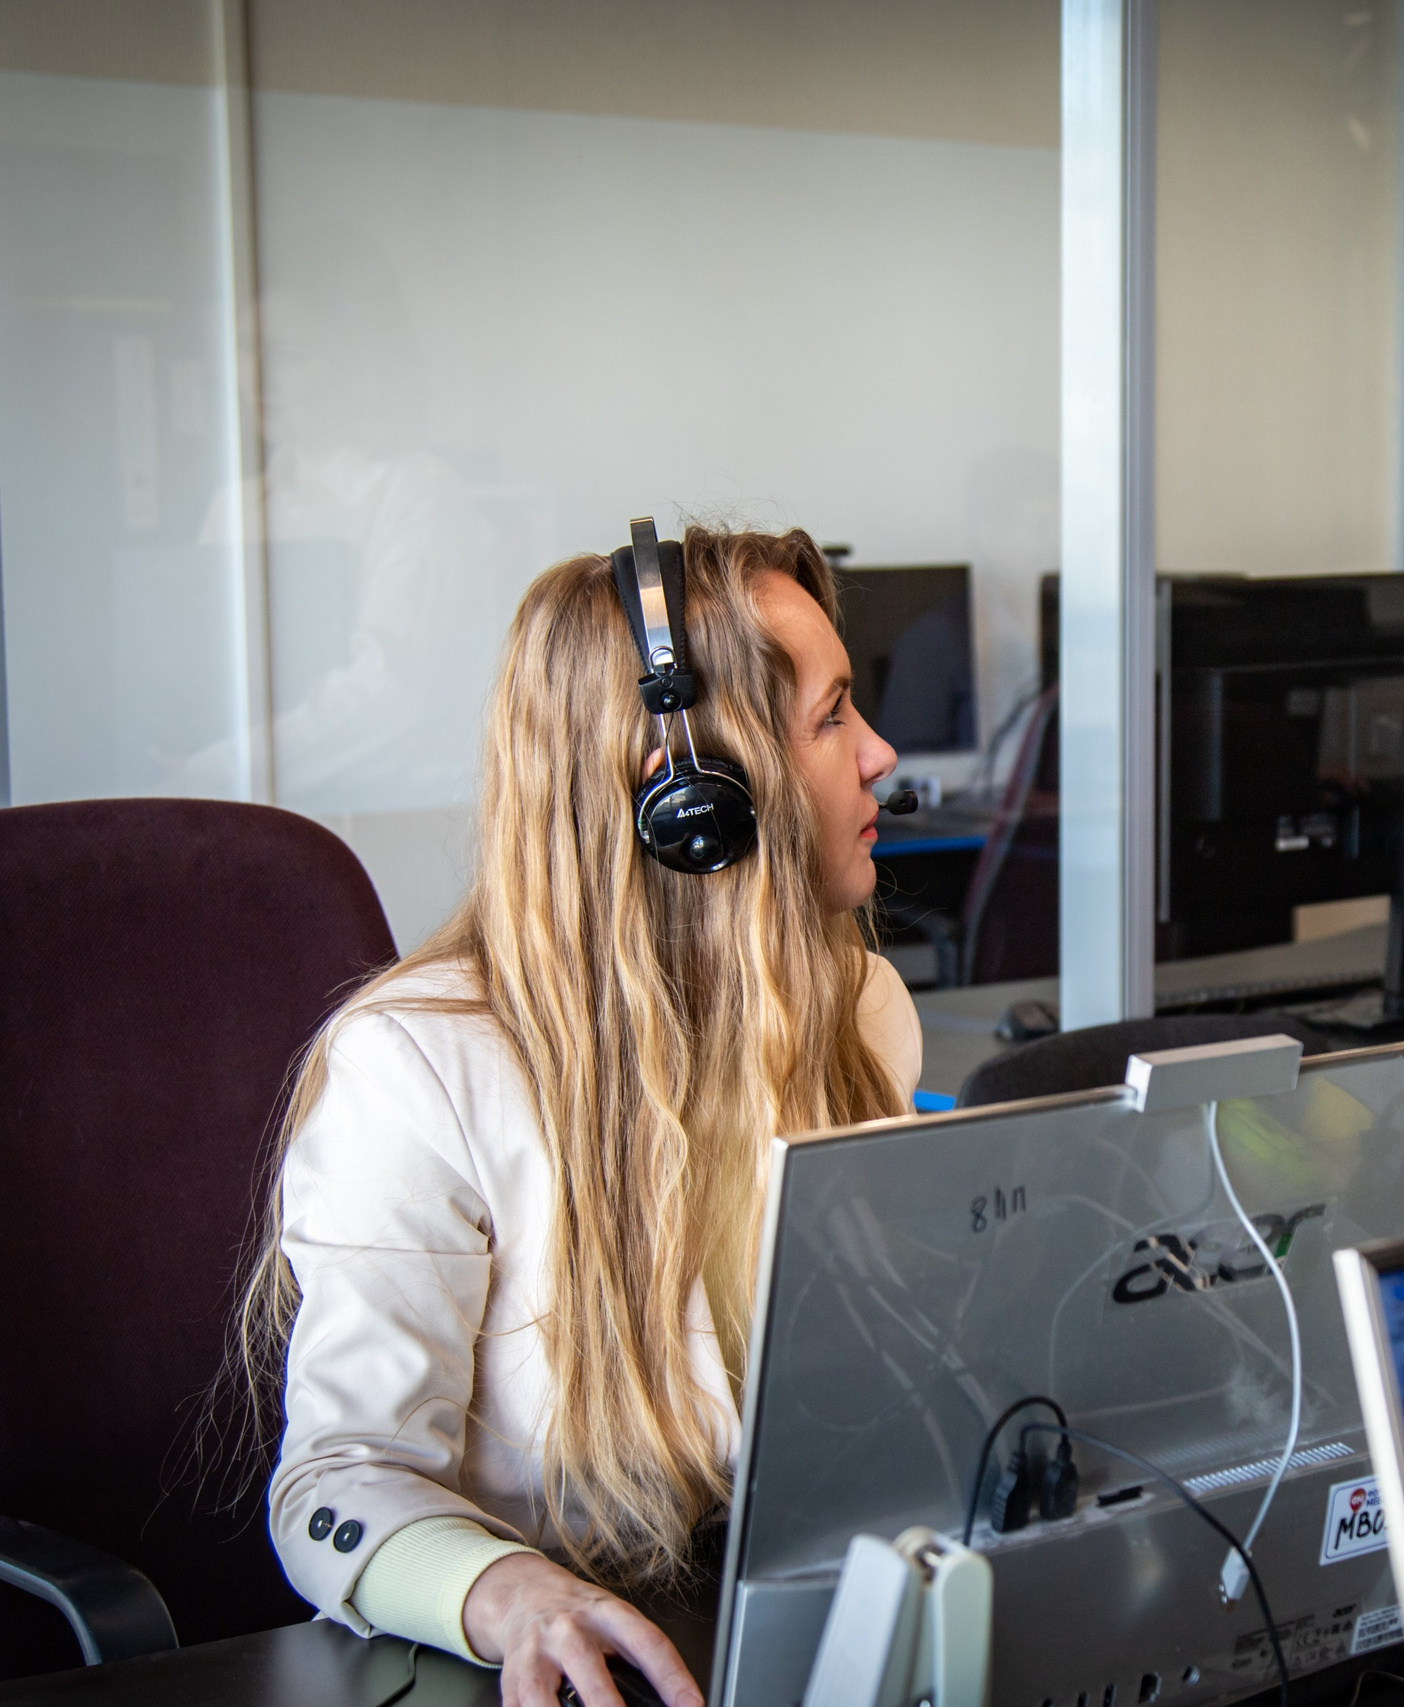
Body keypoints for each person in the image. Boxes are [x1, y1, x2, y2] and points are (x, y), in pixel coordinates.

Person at [236, 525, 920, 1707]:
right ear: (692, 797)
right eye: (830, 718)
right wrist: (511, 1596)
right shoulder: (421, 1067)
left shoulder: (859, 1006)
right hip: (559, 1674)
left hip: (769, 1627)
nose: (881, 755)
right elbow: (339, 1480)